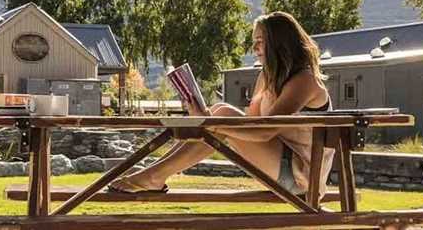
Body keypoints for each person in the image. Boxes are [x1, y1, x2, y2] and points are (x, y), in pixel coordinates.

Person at [108, 11, 334, 196]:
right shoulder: (266, 77)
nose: (254, 49)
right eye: (253, 42)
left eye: (260, 42)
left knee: (220, 114)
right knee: (218, 111)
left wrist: (210, 122)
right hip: (276, 166)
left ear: (279, 44)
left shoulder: (304, 80)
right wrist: (207, 118)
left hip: (301, 178)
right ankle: (154, 173)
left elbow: (264, 131)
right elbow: (250, 124)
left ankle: (154, 175)